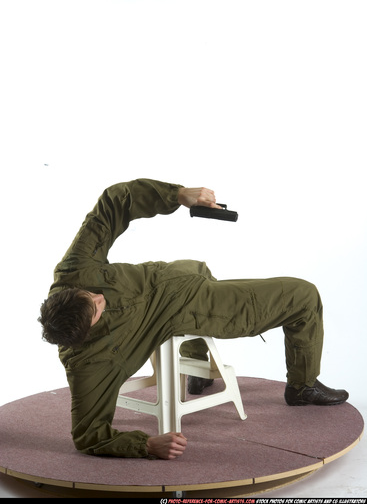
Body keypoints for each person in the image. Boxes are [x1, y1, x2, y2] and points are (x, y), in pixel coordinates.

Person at [38, 178, 348, 460]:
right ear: (88, 332)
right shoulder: (89, 365)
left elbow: (114, 200)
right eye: (95, 308)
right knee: (303, 296)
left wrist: (179, 195)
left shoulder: (73, 271)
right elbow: (88, 435)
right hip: (192, 304)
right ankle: (302, 387)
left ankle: (198, 370)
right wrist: (145, 446)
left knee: (195, 265)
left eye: (88, 294)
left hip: (175, 273)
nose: (98, 297)